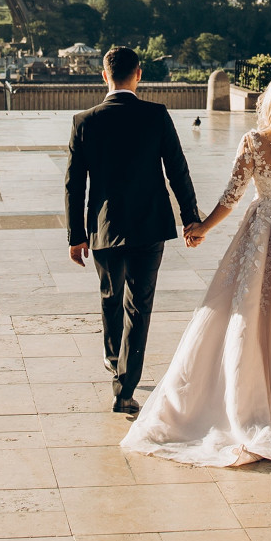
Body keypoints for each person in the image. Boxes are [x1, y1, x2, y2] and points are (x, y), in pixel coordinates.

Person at [121, 68, 271, 466]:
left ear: (269, 99)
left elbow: (232, 196)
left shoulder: (254, 142)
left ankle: (256, 392)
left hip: (262, 233)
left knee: (251, 311)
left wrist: (201, 227)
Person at [64, 45, 203, 415]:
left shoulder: (84, 121)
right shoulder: (157, 115)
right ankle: (125, 388)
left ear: (103, 76)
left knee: (110, 296)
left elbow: (74, 185)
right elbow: (178, 170)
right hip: (150, 224)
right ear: (139, 74)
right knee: (139, 305)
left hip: (105, 226)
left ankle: (113, 359)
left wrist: (75, 235)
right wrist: (190, 217)